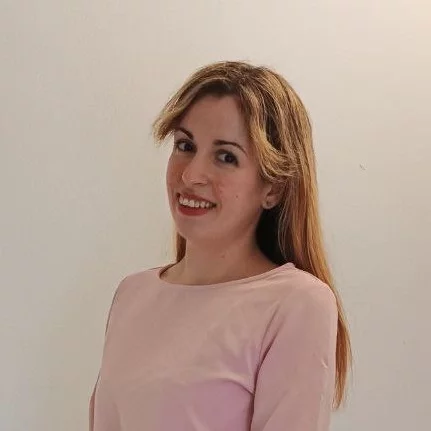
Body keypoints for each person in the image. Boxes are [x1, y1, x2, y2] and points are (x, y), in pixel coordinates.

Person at [89, 61, 352, 431]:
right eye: (185, 145)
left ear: (273, 188)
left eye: (226, 156)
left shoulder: (296, 304)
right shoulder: (132, 294)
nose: (191, 174)